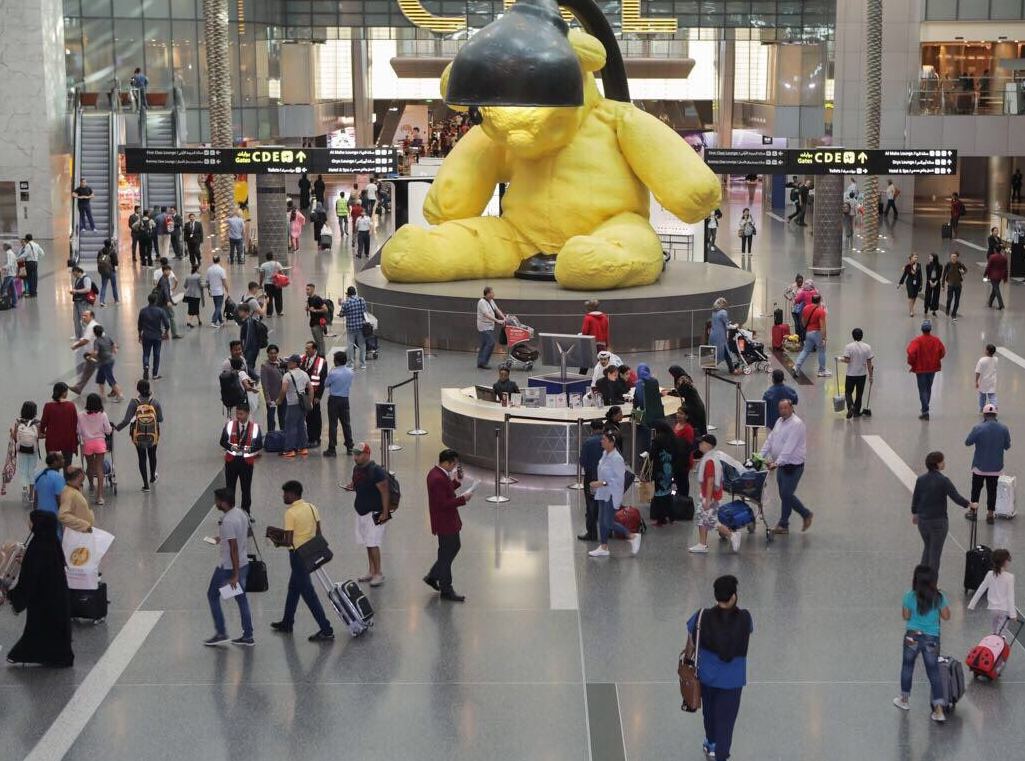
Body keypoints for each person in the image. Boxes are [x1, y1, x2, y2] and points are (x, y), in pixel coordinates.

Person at [683, 574, 752, 761]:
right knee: (726, 721)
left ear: (716, 596)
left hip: (707, 676)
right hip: (733, 681)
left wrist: (687, 659)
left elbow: (690, 641)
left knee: (709, 713)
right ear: (734, 597)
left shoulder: (701, 616)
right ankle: (720, 755)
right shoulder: (746, 618)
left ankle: (710, 741)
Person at [5, 510, 74, 668]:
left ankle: (28, 654)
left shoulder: (38, 546)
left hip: (43, 599)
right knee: (53, 629)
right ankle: (58, 657)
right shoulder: (50, 541)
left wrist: (14, 595)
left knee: (39, 628)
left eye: (31, 521)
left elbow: (31, 576)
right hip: (55, 596)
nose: (29, 524)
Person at [268, 480, 335, 641]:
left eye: (285, 494)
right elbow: (318, 532)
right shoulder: (312, 507)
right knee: (293, 588)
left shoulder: (290, 513)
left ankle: (326, 629)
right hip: (310, 553)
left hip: (297, 556)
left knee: (308, 594)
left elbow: (289, 540)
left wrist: (275, 540)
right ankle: (287, 622)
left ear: (292, 494)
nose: (283, 496)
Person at [893, 565, 950, 723]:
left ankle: (904, 700)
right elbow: (946, 616)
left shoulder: (909, 596)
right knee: (933, 672)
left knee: (907, 666)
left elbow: (906, 616)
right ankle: (938, 710)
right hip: (932, 638)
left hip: (912, 636)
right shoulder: (939, 597)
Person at [204, 487, 254, 647]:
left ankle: (221, 632)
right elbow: (242, 535)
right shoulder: (241, 513)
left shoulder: (228, 521)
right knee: (241, 599)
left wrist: (234, 575)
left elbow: (233, 548)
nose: (215, 503)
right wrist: (221, 538)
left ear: (224, 502)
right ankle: (248, 636)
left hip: (228, 567)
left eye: (217, 501)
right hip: (244, 562)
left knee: (212, 595)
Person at [911, 451, 974, 573]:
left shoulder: (921, 479)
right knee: (935, 555)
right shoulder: (943, 480)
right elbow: (956, 497)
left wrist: (915, 513)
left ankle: (921, 583)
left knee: (928, 548)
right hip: (938, 522)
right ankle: (931, 586)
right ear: (937, 464)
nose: (944, 463)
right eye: (942, 461)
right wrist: (970, 504)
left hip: (923, 522)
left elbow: (916, 497)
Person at [424, 449, 471, 602]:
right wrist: (463, 499)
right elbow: (443, 503)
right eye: (454, 464)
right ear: (448, 462)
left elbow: (445, 492)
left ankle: (433, 576)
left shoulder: (436, 474)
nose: (454, 467)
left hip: (447, 521)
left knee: (451, 549)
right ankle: (446, 588)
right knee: (446, 555)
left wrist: (456, 482)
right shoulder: (437, 478)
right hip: (445, 522)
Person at [760, 400, 813, 535]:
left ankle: (805, 514)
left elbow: (789, 448)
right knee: (784, 495)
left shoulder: (797, 424)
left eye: (785, 408)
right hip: (781, 465)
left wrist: (776, 463)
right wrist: (760, 456)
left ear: (791, 408)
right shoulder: (779, 421)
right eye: (780, 408)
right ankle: (784, 525)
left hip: (793, 466)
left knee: (786, 494)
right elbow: (770, 439)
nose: (783, 410)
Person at [588, 431, 641, 557]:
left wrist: (601, 483)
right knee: (602, 520)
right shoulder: (605, 454)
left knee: (608, 522)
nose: (602, 441)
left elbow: (618, 480)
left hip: (611, 494)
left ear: (612, 442)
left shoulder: (617, 459)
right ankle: (604, 546)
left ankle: (631, 536)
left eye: (604, 440)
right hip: (602, 493)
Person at [345, 442, 391, 586]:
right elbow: (357, 483)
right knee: (368, 543)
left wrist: (385, 512)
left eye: (358, 454)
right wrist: (351, 485)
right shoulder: (357, 469)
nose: (355, 457)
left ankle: (378, 573)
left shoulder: (376, 471)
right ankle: (371, 571)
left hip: (375, 513)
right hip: (361, 512)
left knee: (373, 543)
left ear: (366, 454)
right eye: (354, 454)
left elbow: (385, 492)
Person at [689, 434, 740, 553]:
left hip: (711, 497)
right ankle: (702, 544)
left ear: (708, 445)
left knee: (711, 521)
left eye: (702, 443)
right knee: (703, 519)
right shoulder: (711, 457)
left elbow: (710, 481)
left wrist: (707, 499)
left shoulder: (710, 461)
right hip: (710, 495)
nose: (699, 445)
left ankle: (732, 535)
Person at [965, 404, 1012, 526]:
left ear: (984, 415)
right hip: (996, 468)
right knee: (992, 491)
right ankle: (990, 514)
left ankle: (973, 512)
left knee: (975, 490)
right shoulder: (1004, 428)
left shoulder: (978, 428)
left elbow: (968, 442)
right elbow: (1007, 446)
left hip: (979, 467)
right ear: (996, 414)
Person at [114, 380, 163, 492]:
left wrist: (117, 428)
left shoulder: (134, 402)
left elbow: (126, 420)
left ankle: (145, 485)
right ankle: (152, 477)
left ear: (138, 389)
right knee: (152, 454)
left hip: (139, 435)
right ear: (149, 388)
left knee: (142, 457)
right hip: (153, 435)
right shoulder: (155, 402)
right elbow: (160, 419)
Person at [220, 403, 263, 514]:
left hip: (246, 463)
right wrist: (231, 447)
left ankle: (246, 513)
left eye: (241, 414)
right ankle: (229, 513)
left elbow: (259, 445)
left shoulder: (255, 428)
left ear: (247, 414)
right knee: (230, 489)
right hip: (231, 461)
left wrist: (249, 450)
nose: (238, 416)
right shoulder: (229, 425)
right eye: (237, 414)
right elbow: (222, 441)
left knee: (246, 489)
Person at [968, 549, 1017, 634]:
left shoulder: (990, 574)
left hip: (992, 609)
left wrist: (972, 604)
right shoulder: (1010, 577)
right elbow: (1010, 597)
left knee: (994, 632)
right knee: (1001, 633)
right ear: (1005, 562)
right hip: (1004, 610)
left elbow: (981, 589)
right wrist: (1013, 614)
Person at [77, 393, 112, 505]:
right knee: (99, 468)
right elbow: (108, 430)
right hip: (100, 443)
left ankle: (91, 484)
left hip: (87, 443)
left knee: (90, 466)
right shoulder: (103, 415)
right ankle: (100, 496)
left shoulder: (81, 415)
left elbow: (78, 430)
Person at [906, 320, 945, 421]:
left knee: (922, 390)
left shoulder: (917, 341)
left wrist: (912, 363)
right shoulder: (936, 340)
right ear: (930, 329)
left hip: (920, 369)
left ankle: (925, 411)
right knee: (928, 388)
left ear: (922, 329)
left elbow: (911, 352)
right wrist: (936, 359)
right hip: (932, 368)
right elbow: (942, 352)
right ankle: (925, 407)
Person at [577, 419, 606, 542]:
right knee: (606, 504)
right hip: (606, 477)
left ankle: (592, 533)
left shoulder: (588, 442)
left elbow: (582, 461)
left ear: (592, 429)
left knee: (591, 505)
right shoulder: (609, 440)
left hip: (592, 477)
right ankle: (608, 531)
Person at [277, 354, 310, 459]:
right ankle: (303, 447)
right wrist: (310, 402)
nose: (288, 364)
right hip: (302, 404)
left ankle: (290, 449)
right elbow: (311, 388)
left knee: (290, 426)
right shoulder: (305, 374)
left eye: (290, 362)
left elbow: (283, 389)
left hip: (292, 404)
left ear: (294, 363)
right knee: (301, 425)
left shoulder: (287, 375)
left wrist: (280, 400)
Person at [323, 351, 355, 457]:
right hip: (345, 399)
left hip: (334, 400)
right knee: (346, 423)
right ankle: (350, 446)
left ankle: (332, 448)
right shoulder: (350, 372)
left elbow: (326, 384)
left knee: (333, 424)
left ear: (336, 361)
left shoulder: (333, 373)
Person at [40, 383, 79, 465]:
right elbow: (75, 422)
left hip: (52, 441)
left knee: (53, 466)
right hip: (68, 440)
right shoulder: (71, 406)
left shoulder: (48, 406)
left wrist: (42, 432)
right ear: (63, 392)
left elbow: (43, 422)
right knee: (67, 466)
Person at [793, 294, 831, 378]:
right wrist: (824, 338)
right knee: (821, 351)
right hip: (817, 333)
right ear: (820, 301)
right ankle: (821, 370)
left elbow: (803, 322)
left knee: (805, 351)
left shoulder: (806, 308)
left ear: (812, 300)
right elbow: (822, 326)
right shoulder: (821, 311)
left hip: (808, 333)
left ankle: (796, 366)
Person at [840, 328, 874, 419]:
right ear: (862, 336)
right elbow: (869, 363)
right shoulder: (867, 347)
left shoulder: (849, 347)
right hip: (862, 375)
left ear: (852, 336)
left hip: (851, 374)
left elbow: (847, 360)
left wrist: (840, 359)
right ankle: (856, 412)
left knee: (848, 392)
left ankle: (850, 406)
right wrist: (871, 376)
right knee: (859, 394)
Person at [9, 402, 40, 503]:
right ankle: (31, 495)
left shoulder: (18, 422)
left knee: (23, 470)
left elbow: (15, 437)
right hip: (33, 450)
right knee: (32, 470)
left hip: (21, 450)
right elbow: (39, 436)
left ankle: (24, 491)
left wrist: (11, 432)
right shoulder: (37, 422)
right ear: (34, 412)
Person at [648, 421, 677, 527]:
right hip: (669, 469)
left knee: (658, 494)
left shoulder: (657, 439)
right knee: (668, 492)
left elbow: (652, 454)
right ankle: (671, 516)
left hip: (659, 469)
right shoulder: (672, 437)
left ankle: (661, 518)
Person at [137, 292, 170, 381]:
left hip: (146, 336)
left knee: (146, 353)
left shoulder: (143, 311)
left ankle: (146, 365)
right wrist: (166, 333)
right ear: (156, 301)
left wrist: (139, 335)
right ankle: (155, 374)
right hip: (157, 336)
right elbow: (167, 324)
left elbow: (139, 324)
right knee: (157, 355)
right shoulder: (160, 311)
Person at [665, 366, 707, 436]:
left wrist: (668, 393)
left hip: (694, 406)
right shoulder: (683, 378)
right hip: (694, 404)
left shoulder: (683, 380)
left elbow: (682, 393)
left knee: (695, 425)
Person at [299, 342, 327, 448]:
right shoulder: (302, 359)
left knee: (315, 417)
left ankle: (316, 438)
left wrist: (318, 396)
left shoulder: (321, 362)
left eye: (308, 348)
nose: (306, 350)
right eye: (306, 348)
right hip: (303, 394)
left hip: (314, 395)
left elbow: (323, 381)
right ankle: (309, 437)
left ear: (314, 350)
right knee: (307, 417)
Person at [90, 325, 123, 403]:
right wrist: (114, 350)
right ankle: (102, 395)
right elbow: (113, 344)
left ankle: (120, 395)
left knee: (110, 378)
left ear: (94, 333)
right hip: (109, 360)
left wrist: (90, 356)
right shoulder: (107, 338)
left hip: (105, 363)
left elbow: (96, 352)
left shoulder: (97, 341)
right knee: (100, 378)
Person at [58, 466, 95, 534]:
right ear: (79, 476)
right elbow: (63, 516)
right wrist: (84, 525)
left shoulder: (74, 489)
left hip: (82, 532)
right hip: (77, 534)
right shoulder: (69, 493)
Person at [476, 286, 505, 369]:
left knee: (484, 344)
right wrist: (497, 320)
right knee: (491, 343)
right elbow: (486, 314)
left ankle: (480, 362)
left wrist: (504, 317)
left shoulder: (491, 301)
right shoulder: (481, 302)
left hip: (489, 326)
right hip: (484, 327)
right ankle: (483, 363)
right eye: (492, 292)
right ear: (488, 293)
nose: (494, 294)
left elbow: (497, 310)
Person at [709, 297, 739, 374]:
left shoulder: (714, 312)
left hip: (713, 335)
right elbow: (727, 326)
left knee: (718, 351)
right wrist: (735, 326)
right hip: (720, 336)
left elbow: (719, 323)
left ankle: (709, 366)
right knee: (724, 351)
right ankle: (731, 369)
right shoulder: (723, 312)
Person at [341, 286, 368, 369]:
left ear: (348, 294)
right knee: (362, 345)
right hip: (361, 326)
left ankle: (350, 364)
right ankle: (363, 364)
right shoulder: (361, 300)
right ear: (355, 292)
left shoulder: (346, 303)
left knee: (350, 345)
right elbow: (365, 310)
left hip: (351, 327)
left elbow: (342, 313)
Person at [260, 345, 286, 433]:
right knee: (271, 418)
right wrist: (267, 399)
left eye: (275, 353)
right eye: (271, 353)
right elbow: (264, 384)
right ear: (268, 354)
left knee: (283, 417)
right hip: (272, 397)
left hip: (282, 395)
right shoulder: (265, 366)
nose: (273, 355)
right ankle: (271, 435)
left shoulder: (281, 362)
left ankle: (283, 435)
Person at [33, 453, 65, 518]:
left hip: (40, 514)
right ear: (55, 462)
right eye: (61, 459)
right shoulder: (58, 477)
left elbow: (36, 497)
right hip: (53, 515)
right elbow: (59, 499)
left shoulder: (38, 475)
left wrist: (35, 514)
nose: (64, 460)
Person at [16, 234, 44, 298]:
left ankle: (31, 293)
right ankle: (34, 292)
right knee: (34, 278)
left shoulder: (28, 245)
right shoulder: (36, 245)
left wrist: (17, 258)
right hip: (35, 263)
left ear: (27, 239)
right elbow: (42, 253)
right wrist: (36, 258)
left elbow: (25, 254)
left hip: (29, 263)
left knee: (29, 278)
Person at [69, 266, 93, 339]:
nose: (73, 275)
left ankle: (87, 336)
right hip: (76, 302)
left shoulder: (86, 278)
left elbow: (88, 289)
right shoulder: (77, 279)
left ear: (77, 271)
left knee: (84, 320)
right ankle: (78, 335)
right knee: (76, 319)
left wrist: (77, 291)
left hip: (83, 302)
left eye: (74, 273)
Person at [942, 251, 967, 320]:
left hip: (958, 285)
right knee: (949, 299)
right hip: (950, 284)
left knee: (957, 300)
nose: (953, 258)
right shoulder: (948, 264)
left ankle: (954, 314)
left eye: (955, 257)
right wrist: (943, 285)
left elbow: (965, 270)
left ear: (957, 257)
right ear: (950, 257)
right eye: (952, 257)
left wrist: (963, 272)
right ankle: (947, 308)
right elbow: (944, 275)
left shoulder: (959, 264)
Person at [305, 283, 328, 358]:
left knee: (320, 341)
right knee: (317, 341)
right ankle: (319, 355)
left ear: (313, 289)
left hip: (318, 323)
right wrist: (309, 309)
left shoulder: (317, 298)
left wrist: (315, 310)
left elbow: (325, 309)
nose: (306, 291)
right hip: (312, 323)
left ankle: (322, 356)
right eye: (306, 289)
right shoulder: (309, 299)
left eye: (308, 289)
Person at [206, 256, 228, 327]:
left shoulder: (209, 269)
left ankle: (221, 321)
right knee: (219, 307)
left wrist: (209, 291)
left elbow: (207, 282)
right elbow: (224, 281)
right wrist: (227, 289)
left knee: (217, 307)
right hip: (219, 291)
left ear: (213, 260)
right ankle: (213, 321)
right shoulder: (221, 270)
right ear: (219, 260)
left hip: (213, 291)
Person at [975, 344, 999, 412]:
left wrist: (976, 381)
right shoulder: (996, 359)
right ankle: (995, 407)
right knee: (992, 395)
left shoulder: (982, 360)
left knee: (982, 396)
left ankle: (982, 408)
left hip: (983, 381)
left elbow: (978, 372)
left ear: (987, 351)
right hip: (992, 381)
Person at [897, 254, 922, 318]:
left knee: (914, 296)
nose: (916, 258)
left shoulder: (919, 265)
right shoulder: (907, 266)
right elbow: (904, 275)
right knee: (910, 296)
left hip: (917, 282)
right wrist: (900, 283)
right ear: (911, 258)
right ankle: (911, 311)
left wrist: (921, 284)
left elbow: (920, 275)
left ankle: (911, 308)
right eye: (915, 257)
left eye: (917, 257)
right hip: (910, 282)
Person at [95, 238, 119, 307]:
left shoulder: (100, 251)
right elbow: (116, 262)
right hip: (111, 271)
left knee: (103, 286)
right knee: (114, 286)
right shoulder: (112, 252)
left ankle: (102, 301)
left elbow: (98, 260)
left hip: (103, 272)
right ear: (110, 244)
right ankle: (116, 300)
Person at [985, 245, 1008, 310]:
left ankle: (1001, 304)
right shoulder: (1004, 258)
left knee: (996, 289)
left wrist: (985, 274)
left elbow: (988, 266)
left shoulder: (992, 257)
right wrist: (1005, 278)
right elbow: (1006, 269)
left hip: (993, 276)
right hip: (1000, 276)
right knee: (995, 289)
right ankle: (990, 302)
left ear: (995, 250)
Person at [182, 264, 203, 328]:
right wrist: (207, 285)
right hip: (196, 295)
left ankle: (199, 320)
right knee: (193, 309)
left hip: (188, 294)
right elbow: (201, 285)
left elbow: (185, 286)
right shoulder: (198, 276)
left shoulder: (188, 276)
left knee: (193, 307)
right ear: (197, 269)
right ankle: (189, 322)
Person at [923, 253, 942, 317]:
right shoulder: (928, 265)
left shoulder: (940, 266)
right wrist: (930, 282)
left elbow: (939, 275)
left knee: (936, 297)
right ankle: (926, 308)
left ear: (934, 257)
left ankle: (934, 310)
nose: (929, 257)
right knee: (928, 295)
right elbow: (927, 275)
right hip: (929, 282)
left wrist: (936, 282)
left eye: (930, 256)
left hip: (937, 282)